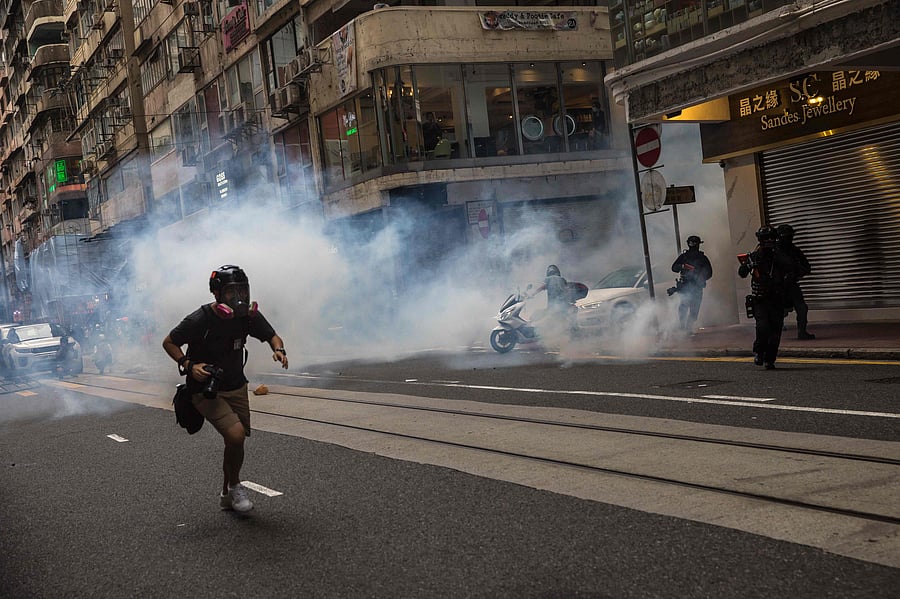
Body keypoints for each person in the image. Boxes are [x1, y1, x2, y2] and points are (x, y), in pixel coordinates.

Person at [162, 265, 288, 513]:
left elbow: (273, 336)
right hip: (206, 390)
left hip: (237, 386)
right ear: (217, 295)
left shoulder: (246, 317)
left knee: (236, 443)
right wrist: (189, 365)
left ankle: (226, 493)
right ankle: (236, 486)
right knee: (235, 435)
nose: (239, 297)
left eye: (242, 290)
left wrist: (279, 350)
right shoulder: (200, 319)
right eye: (232, 292)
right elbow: (169, 342)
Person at [738, 226, 796, 370]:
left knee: (776, 331)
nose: (769, 241)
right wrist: (749, 264)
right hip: (761, 299)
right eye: (766, 238)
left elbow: (793, 267)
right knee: (763, 327)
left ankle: (770, 359)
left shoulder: (779, 254)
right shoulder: (755, 255)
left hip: (777, 298)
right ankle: (759, 352)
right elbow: (742, 273)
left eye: (771, 238)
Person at [776, 224, 815, 340]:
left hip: (791, 285)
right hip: (776, 287)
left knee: (802, 308)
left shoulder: (794, 250)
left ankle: (802, 331)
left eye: (790, 237)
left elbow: (806, 267)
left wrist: (796, 273)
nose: (788, 239)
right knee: (777, 311)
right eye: (786, 237)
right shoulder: (773, 251)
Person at [670, 235, 713, 332]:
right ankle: (683, 327)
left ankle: (687, 328)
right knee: (684, 306)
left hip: (696, 287)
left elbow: (709, 273)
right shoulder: (684, 257)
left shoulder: (702, 258)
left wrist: (700, 277)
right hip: (685, 286)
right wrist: (682, 266)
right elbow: (674, 268)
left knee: (693, 310)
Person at [529, 264, 575, 333]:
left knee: (538, 316)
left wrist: (532, 294)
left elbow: (541, 287)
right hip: (564, 305)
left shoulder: (547, 279)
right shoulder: (562, 279)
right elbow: (567, 290)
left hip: (553, 306)